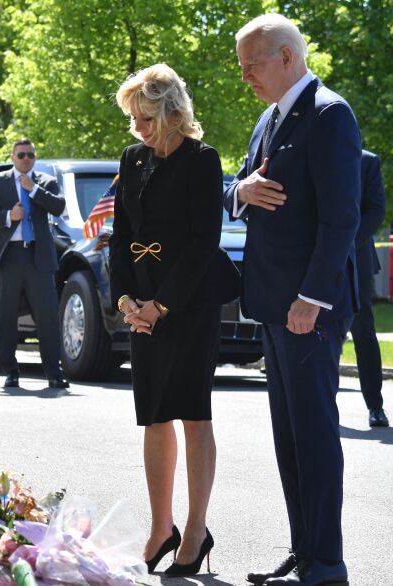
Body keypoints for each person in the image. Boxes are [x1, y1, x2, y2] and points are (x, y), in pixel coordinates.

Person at [225, 14, 360, 586]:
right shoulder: (269, 117)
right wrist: (240, 191)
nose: (246, 76)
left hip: (308, 308)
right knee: (289, 435)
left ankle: (326, 560)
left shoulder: (329, 114)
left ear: (286, 57)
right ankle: (303, 550)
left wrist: (312, 297)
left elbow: (341, 218)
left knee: (314, 431)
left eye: (251, 64)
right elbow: (238, 181)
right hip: (274, 304)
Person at [109, 63, 235, 577]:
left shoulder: (203, 160)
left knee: (190, 410)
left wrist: (161, 307)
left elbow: (206, 242)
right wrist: (126, 303)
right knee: (152, 413)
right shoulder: (132, 159)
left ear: (171, 110)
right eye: (133, 118)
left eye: (145, 116)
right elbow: (119, 236)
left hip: (189, 304)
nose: (138, 127)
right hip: (140, 305)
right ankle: (162, 527)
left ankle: (197, 527)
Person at [0, 138, 68, 389]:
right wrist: (7, 216)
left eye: (30, 155)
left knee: (47, 316)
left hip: (38, 257)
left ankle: (53, 372)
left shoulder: (45, 182)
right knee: (6, 317)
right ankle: (10, 371)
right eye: (21, 155)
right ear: (13, 157)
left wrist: (33, 190)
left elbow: (58, 207)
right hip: (9, 256)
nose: (26, 159)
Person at [352, 150, 388, 427]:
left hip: (357, 260)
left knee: (363, 331)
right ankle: (320, 407)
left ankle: (375, 406)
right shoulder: (313, 155)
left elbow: (376, 210)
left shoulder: (368, 161)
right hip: (312, 259)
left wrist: (344, 240)